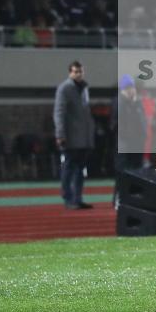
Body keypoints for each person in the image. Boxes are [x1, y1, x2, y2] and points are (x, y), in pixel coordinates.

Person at [53, 60, 96, 210]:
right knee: (69, 168)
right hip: (71, 137)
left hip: (83, 138)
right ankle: (68, 198)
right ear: (70, 73)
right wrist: (60, 134)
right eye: (75, 72)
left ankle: (77, 198)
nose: (78, 74)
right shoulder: (65, 89)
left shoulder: (84, 88)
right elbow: (59, 112)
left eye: (80, 71)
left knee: (80, 169)